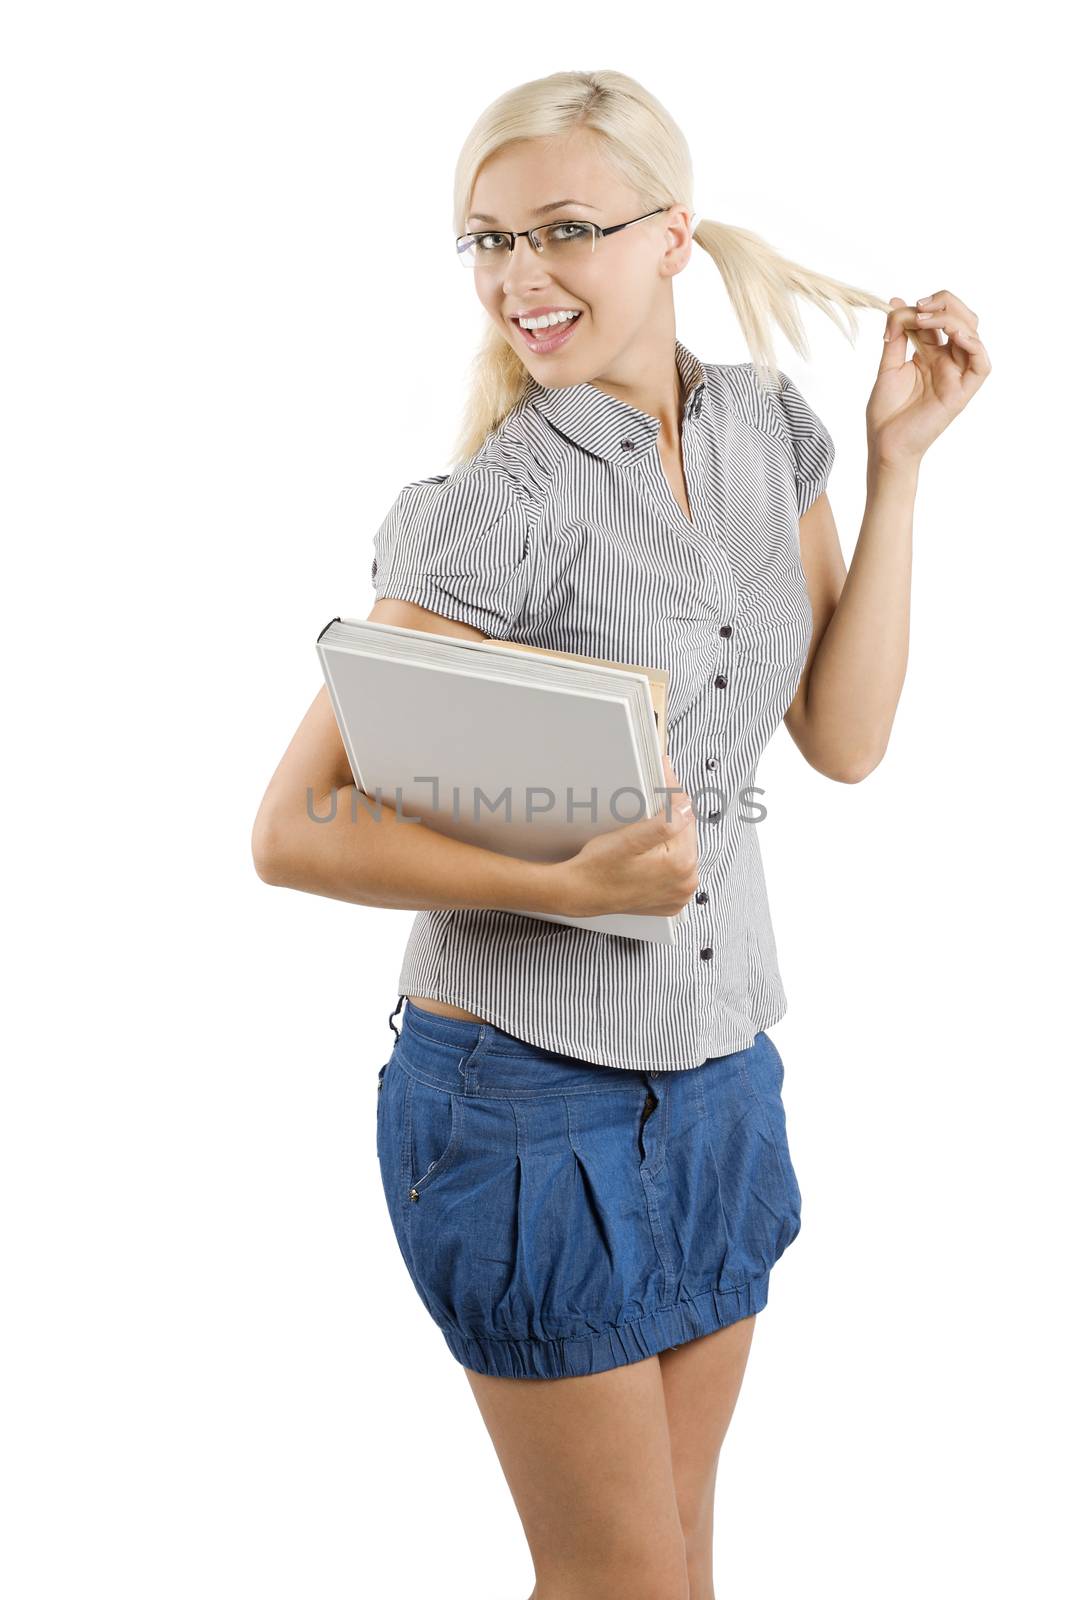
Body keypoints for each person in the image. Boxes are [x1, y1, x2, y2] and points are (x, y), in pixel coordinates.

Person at [251, 66, 989, 1600]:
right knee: (622, 1585)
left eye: (564, 229)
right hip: (520, 1110)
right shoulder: (498, 501)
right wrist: (569, 871)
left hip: (719, 1073)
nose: (519, 277)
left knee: (676, 1565)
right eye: (487, 239)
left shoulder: (760, 434)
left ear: (673, 235)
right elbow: (295, 824)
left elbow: (842, 742)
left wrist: (900, 468)